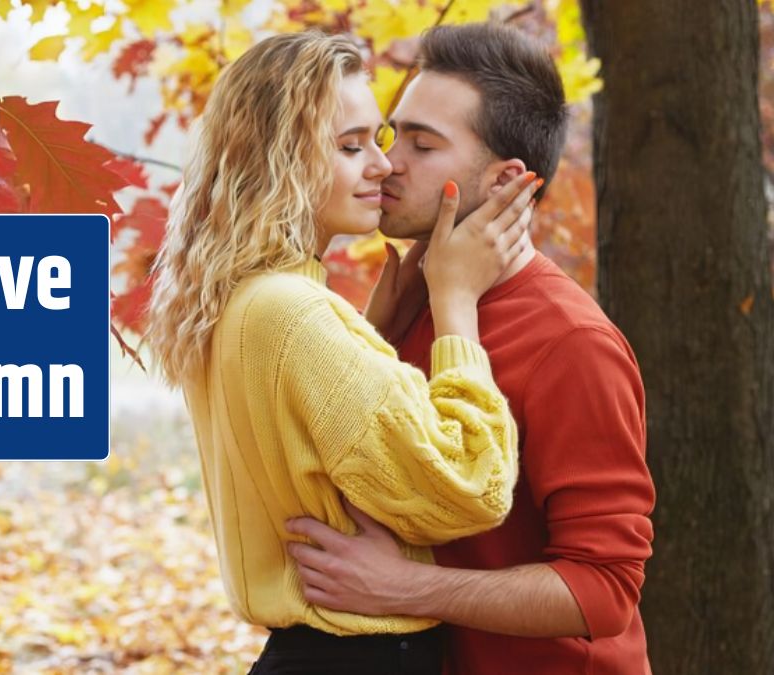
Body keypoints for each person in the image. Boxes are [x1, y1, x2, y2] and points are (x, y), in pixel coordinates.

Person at [145, 31, 543, 675]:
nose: (382, 166)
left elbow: (316, 451)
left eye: (378, 142)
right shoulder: (295, 313)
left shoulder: (245, 297)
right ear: (279, 160)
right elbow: (471, 484)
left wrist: (371, 334)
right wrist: (456, 301)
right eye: (350, 147)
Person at [285, 23, 656, 675]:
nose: (386, 162)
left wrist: (403, 585)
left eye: (423, 146)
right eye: (393, 134)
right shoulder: (413, 299)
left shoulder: (572, 343)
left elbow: (605, 591)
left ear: (508, 180)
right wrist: (376, 335)